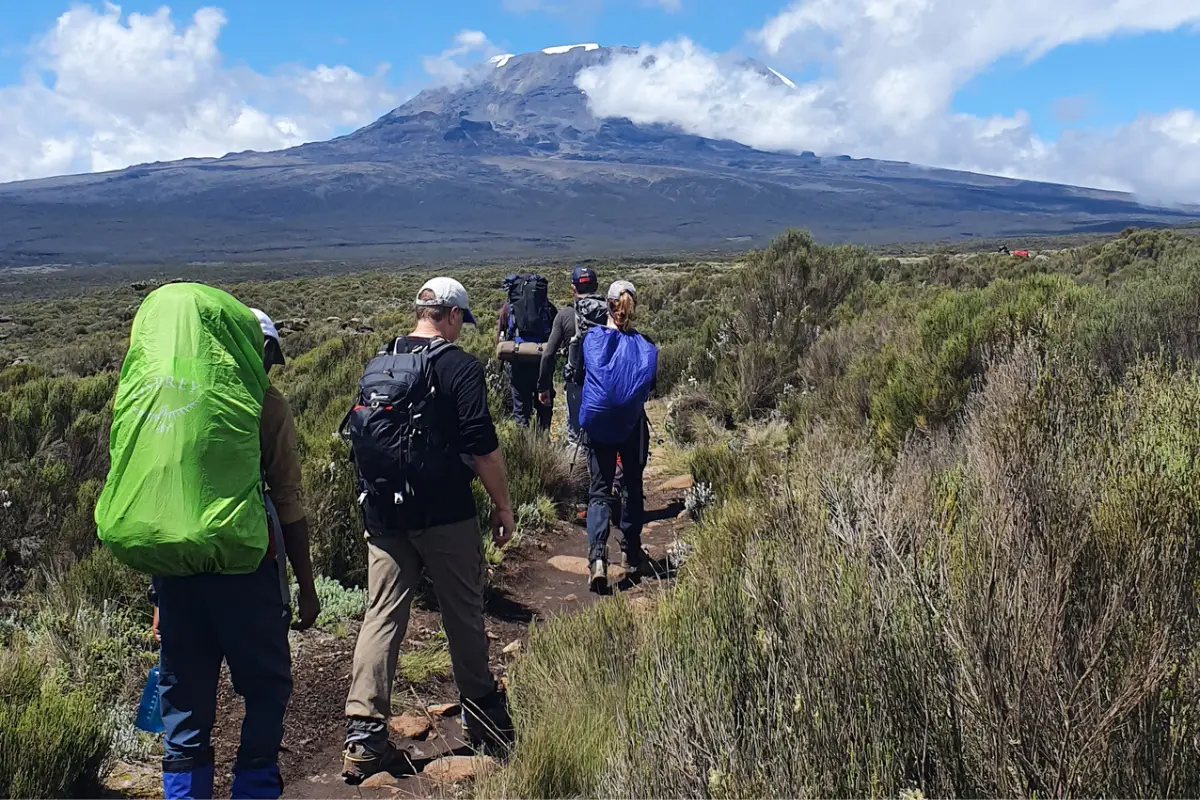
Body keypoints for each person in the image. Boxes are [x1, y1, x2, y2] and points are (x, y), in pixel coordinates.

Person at [343, 277, 518, 782]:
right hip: (445, 512)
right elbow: (481, 445)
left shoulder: (381, 360)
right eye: (463, 320)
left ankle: (363, 733)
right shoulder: (460, 366)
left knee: (381, 615)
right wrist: (503, 506)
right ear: (453, 315)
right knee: (461, 609)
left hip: (383, 514)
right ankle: (483, 716)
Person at [146, 303, 320, 800]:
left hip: (178, 574)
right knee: (266, 688)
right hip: (247, 572)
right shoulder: (265, 404)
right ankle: (255, 789)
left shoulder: (173, 400)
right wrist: (307, 587)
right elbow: (287, 501)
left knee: (184, 705)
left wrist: (158, 595)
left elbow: (159, 500)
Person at [580, 281, 658, 593]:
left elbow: (578, 372)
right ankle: (631, 552)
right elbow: (651, 386)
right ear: (632, 306)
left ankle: (597, 558)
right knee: (633, 485)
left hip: (598, 424)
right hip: (631, 425)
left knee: (599, 490)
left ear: (608, 306)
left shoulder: (593, 338)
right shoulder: (645, 344)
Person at [537, 266, 608, 446]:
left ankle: (580, 472)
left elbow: (548, 354)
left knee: (576, 437)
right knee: (605, 435)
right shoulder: (610, 312)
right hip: (606, 382)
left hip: (578, 382)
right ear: (596, 285)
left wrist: (543, 387)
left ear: (573, 288)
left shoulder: (565, 315)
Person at [497, 273, 555, 430]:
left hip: (517, 363)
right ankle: (544, 441)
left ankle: (523, 445)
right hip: (541, 364)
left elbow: (500, 338)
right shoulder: (547, 307)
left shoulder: (508, 309)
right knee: (544, 405)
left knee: (521, 409)